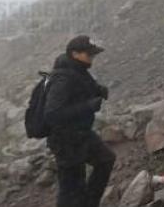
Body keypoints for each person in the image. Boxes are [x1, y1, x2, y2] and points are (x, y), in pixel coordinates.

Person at [44, 35, 115, 207]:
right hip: (65, 141)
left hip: (81, 134)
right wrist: (88, 106)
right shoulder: (62, 78)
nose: (92, 57)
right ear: (75, 54)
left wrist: (98, 90)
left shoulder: (77, 70)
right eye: (88, 54)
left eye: (93, 54)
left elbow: (81, 88)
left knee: (105, 159)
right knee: (71, 190)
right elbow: (52, 113)